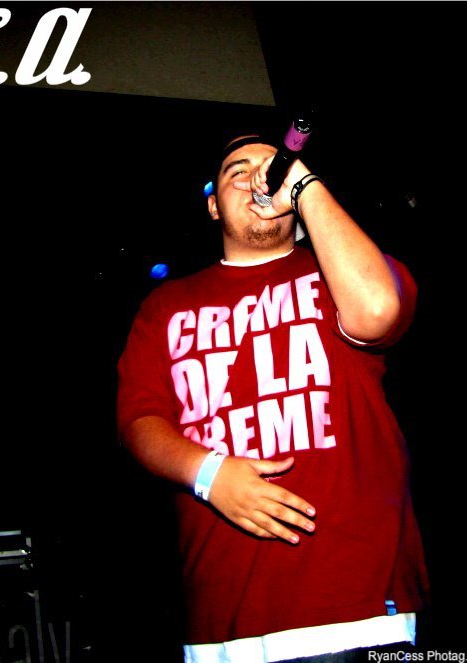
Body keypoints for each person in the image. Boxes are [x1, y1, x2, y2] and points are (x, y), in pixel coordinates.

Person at [116, 130, 429, 662]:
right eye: (237, 172)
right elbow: (138, 421)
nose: (256, 178)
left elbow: (377, 311)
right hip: (221, 625)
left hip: (359, 614)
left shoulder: (336, 271)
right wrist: (209, 474)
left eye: (271, 169)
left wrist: (303, 185)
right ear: (214, 206)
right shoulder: (166, 305)